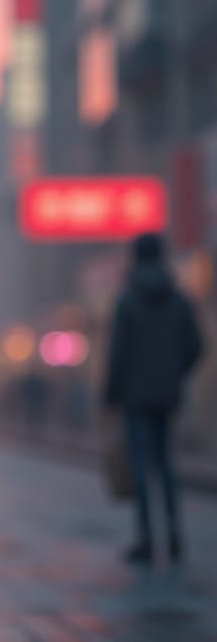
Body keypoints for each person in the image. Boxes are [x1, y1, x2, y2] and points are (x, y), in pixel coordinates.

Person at [104, 232, 205, 565]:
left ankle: (147, 538)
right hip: (168, 393)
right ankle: (174, 535)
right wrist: (175, 372)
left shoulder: (128, 301)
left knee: (142, 466)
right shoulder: (179, 300)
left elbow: (118, 354)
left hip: (135, 396)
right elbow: (196, 346)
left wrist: (112, 393)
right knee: (166, 465)